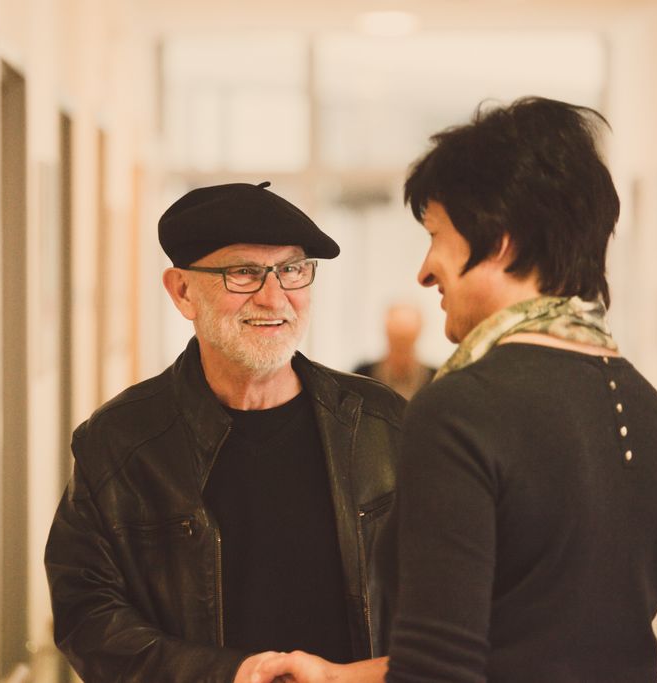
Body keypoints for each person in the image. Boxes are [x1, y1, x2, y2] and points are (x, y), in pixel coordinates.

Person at [254, 97, 657, 682]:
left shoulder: (464, 408)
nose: (425, 270)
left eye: (436, 235)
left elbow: (438, 675)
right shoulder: (644, 402)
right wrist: (336, 676)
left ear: (501, 238)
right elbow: (539, 641)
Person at [44, 181, 405, 682]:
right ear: (182, 291)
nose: (274, 298)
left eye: (292, 270)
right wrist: (230, 674)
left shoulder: (381, 423)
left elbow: (449, 591)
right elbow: (88, 619)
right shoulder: (120, 441)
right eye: (243, 273)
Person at [352, 303, 435, 400]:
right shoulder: (361, 377)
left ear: (417, 335)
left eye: (406, 340)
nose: (401, 347)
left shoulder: (435, 380)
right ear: (387, 333)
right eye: (396, 339)